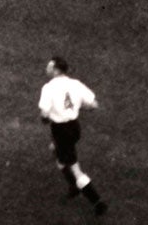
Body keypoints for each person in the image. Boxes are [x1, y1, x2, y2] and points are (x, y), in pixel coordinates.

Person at [39, 57, 108, 215]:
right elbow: (93, 104)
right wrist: (77, 108)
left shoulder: (48, 88)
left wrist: (45, 118)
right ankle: (73, 186)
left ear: (56, 70)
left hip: (61, 130)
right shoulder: (75, 84)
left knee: (75, 167)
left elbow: (44, 114)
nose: (46, 69)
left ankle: (97, 202)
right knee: (55, 150)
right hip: (74, 128)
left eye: (49, 67)